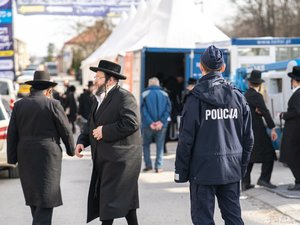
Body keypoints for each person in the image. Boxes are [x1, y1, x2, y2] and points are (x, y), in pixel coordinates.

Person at [174, 45, 254, 225]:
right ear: (223, 68)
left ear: (201, 67)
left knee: (203, 220)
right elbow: (248, 138)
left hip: (202, 171)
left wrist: (181, 172)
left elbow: (185, 140)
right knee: (234, 219)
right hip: (231, 169)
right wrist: (241, 167)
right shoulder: (238, 97)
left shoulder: (194, 99)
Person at [75, 60, 142, 225]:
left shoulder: (124, 97)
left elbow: (132, 123)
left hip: (121, 161)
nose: (95, 80)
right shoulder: (98, 98)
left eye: (98, 77)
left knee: (108, 202)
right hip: (105, 159)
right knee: (124, 204)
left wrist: (105, 131)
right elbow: (92, 124)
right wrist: (82, 141)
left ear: (110, 80)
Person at [6, 70, 75, 225]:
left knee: (34, 199)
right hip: (48, 156)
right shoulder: (53, 104)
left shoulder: (19, 105)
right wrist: (71, 150)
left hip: (25, 155)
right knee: (46, 198)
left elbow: (12, 133)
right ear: (48, 90)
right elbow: (65, 130)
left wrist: (12, 158)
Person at [242, 70, 278, 191]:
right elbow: (265, 111)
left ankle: (245, 183)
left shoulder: (245, 95)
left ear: (249, 83)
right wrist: (272, 128)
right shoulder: (257, 96)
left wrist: (258, 112)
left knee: (250, 156)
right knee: (270, 154)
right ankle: (264, 179)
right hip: (257, 130)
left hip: (247, 130)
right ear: (259, 84)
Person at [141, 77, 171, 173]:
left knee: (146, 145)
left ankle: (148, 165)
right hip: (161, 125)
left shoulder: (144, 94)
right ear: (158, 84)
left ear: (149, 84)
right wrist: (161, 122)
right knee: (160, 145)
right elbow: (168, 109)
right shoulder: (165, 94)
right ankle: (159, 167)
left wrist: (151, 122)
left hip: (147, 125)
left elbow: (143, 110)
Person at [280, 66, 300, 191]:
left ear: (295, 80)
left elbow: (298, 112)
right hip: (295, 130)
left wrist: (284, 115)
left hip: (294, 131)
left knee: (291, 156)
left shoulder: (298, 94)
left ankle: (298, 181)